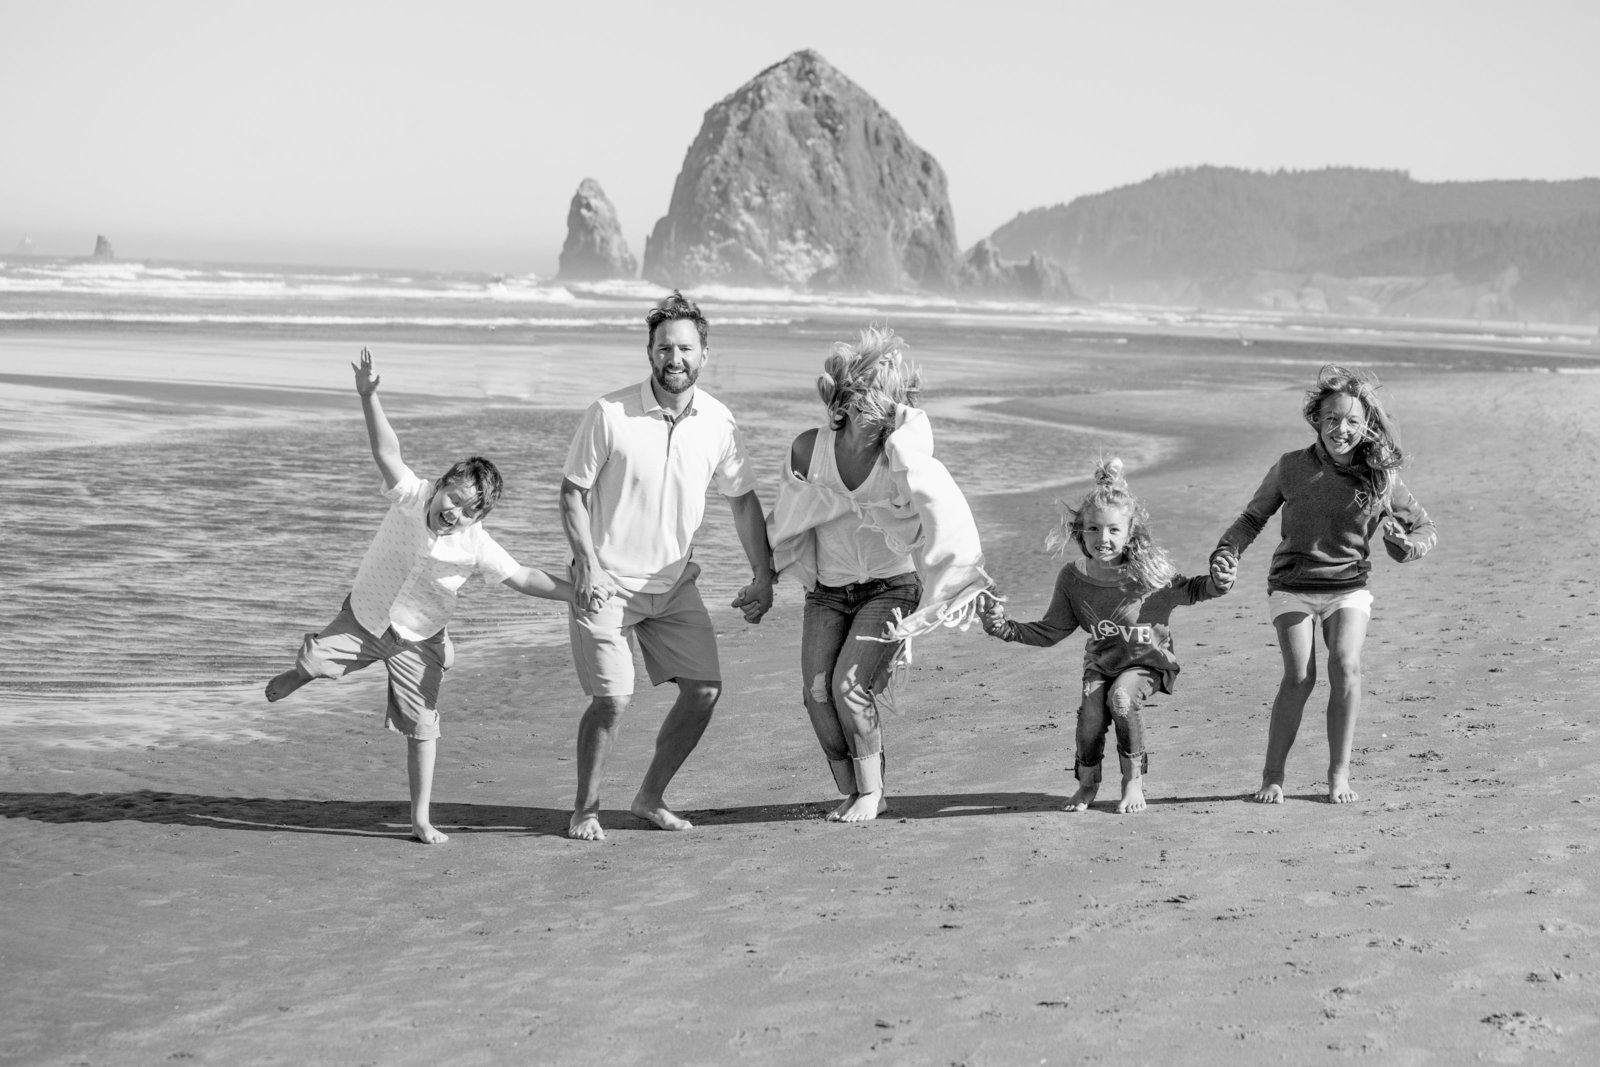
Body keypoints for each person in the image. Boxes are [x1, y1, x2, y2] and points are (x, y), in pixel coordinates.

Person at [264, 348, 575, 844]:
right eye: (453, 497)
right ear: (442, 485)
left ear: (479, 519)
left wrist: (575, 594)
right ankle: (300, 671)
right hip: (363, 619)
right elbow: (387, 454)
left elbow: (522, 577)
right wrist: (370, 396)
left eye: (469, 511)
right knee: (317, 662)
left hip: (418, 638)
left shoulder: (476, 544)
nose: (454, 512)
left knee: (424, 728)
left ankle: (420, 819)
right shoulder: (413, 496)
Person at [559, 290, 774, 841]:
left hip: (674, 582)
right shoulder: (610, 414)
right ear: (649, 352)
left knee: (704, 689)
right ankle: (586, 808)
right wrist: (586, 563)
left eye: (684, 348)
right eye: (663, 348)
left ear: (705, 353)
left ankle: (649, 797)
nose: (673, 359)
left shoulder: (719, 423)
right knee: (613, 698)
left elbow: (743, 500)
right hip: (606, 581)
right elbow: (572, 493)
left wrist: (763, 575)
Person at [768, 326, 990, 822]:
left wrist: (963, 580)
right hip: (826, 592)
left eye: (891, 402)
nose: (886, 410)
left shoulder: (902, 461)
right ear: (850, 400)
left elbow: (944, 514)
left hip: (890, 588)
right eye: (875, 397)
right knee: (816, 694)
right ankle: (851, 788)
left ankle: (873, 792)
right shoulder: (809, 450)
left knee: (850, 685)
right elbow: (786, 519)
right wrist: (764, 579)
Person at [1213, 363, 1435, 804]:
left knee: (1346, 665)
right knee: (1299, 676)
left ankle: (1339, 774)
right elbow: (1252, 518)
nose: (1341, 429)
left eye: (1353, 421)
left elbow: (1424, 529)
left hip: (1348, 587)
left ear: (1367, 425)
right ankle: (1273, 776)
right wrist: (1226, 553)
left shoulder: (1380, 475)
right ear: (1316, 419)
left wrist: (1401, 545)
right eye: (1332, 419)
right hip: (1293, 584)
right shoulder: (1290, 467)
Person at [977, 458, 1236, 814]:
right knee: (1091, 717)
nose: (1104, 538)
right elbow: (1052, 630)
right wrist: (1003, 628)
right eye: (1094, 529)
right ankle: (1087, 784)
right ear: (1080, 531)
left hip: (1148, 663)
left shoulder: (1150, 572)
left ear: (1131, 532)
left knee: (1122, 699)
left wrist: (1219, 583)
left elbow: (1194, 589)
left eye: (1114, 530)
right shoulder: (1073, 578)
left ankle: (1132, 781)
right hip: (1101, 664)